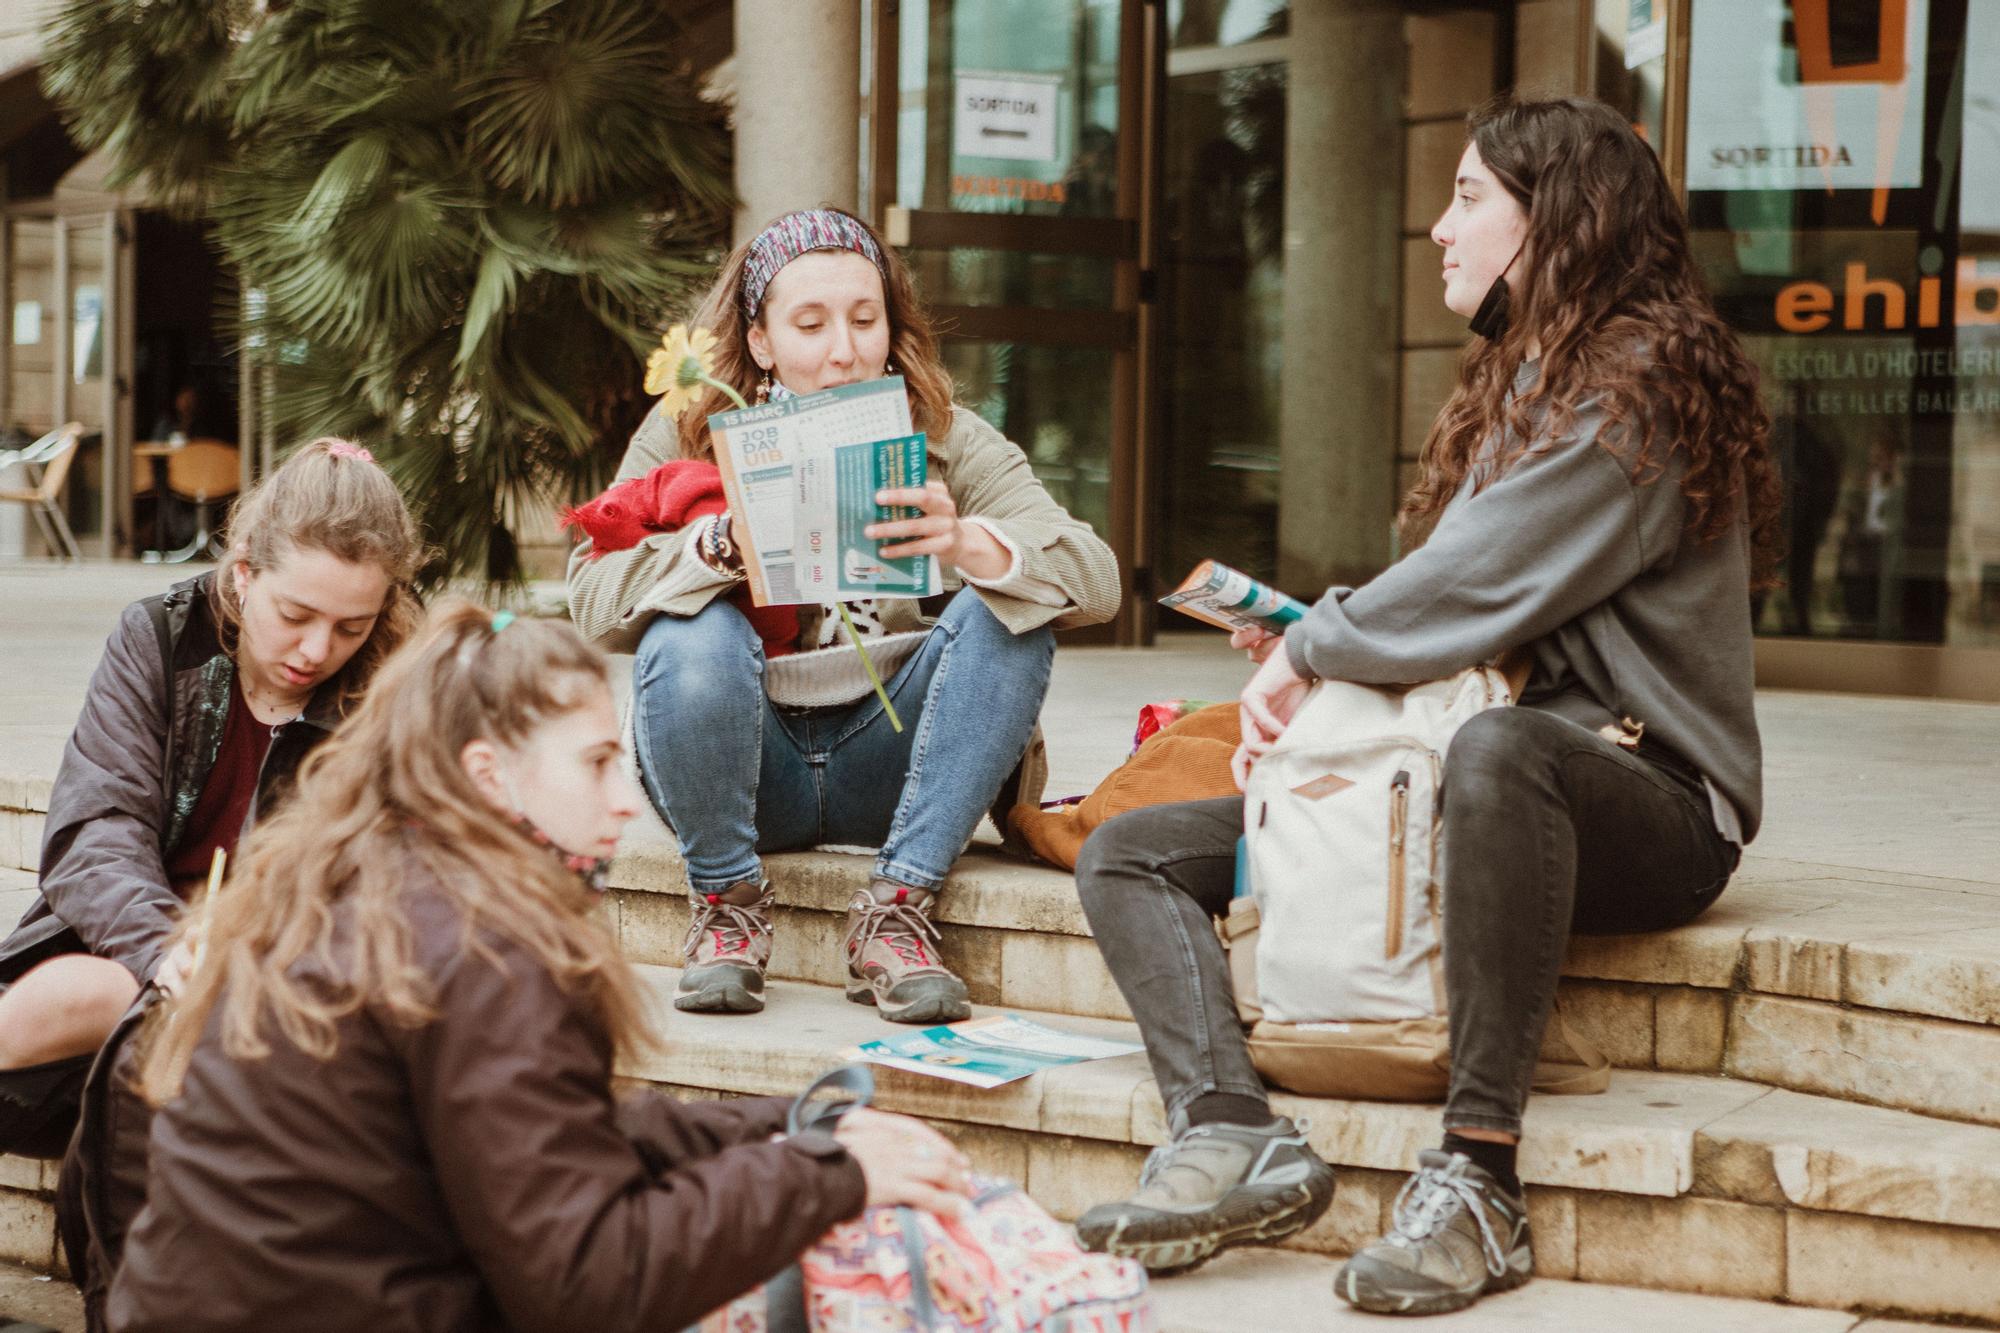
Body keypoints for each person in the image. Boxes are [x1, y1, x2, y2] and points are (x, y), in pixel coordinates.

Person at [1072, 94, 1779, 1316]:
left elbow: (1481, 577)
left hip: (1648, 795)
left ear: (1555, 219)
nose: (1438, 228)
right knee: (1128, 852)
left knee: (1506, 753)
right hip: (1464, 774)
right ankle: (1229, 1125)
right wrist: (1320, 638)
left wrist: (1318, 648)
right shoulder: (1525, 372)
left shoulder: (1638, 385)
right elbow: (1464, 599)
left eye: (1465, 198)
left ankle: (1477, 1177)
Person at [105, 603, 976, 1332]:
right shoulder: (486, 946)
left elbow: (548, 1147)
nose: (627, 800)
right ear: (490, 776)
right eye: (596, 764)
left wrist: (788, 1126)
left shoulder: (372, 873)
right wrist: (830, 1173)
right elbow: (589, 1278)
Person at [568, 207, 1120, 1024]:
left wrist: (969, 543)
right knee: (693, 624)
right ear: (760, 341)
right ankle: (725, 907)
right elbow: (591, 600)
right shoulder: (686, 431)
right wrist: (715, 548)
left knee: (1014, 609)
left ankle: (897, 909)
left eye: (866, 320)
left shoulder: (948, 438)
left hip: (896, 766)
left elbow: (1098, 579)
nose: (844, 350)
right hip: (746, 764)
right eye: (811, 323)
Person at [0, 438, 423, 1160]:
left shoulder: (394, 685)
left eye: (351, 626)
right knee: (87, 994)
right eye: (295, 612)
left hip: (280, 1004)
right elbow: (94, 831)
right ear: (245, 570)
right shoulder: (161, 635)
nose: (317, 649)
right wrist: (167, 944)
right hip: (134, 957)